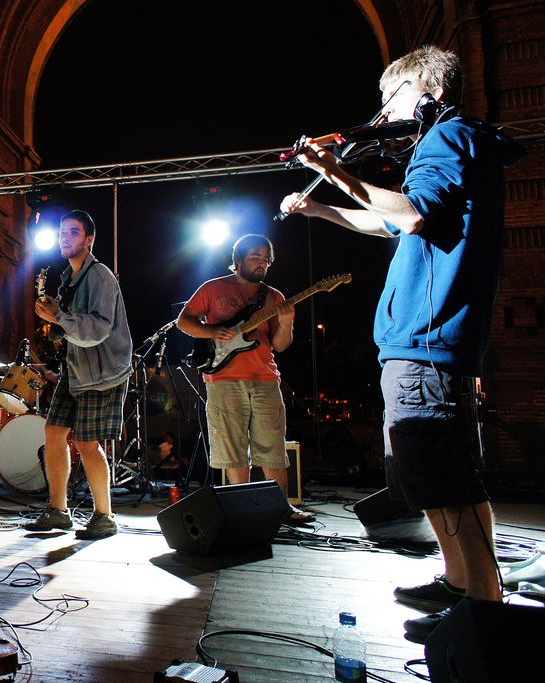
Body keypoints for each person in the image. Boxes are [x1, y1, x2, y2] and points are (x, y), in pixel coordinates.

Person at [278, 45, 523, 643]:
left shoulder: (446, 139)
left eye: (390, 98)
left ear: (423, 89)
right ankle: (461, 581)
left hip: (427, 338)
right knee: (440, 474)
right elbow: (387, 220)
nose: (382, 115)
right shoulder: (460, 144)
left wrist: (336, 170)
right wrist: (321, 209)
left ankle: (481, 610)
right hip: (430, 338)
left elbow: (410, 214)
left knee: (442, 475)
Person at [176, 234, 310, 521]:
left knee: (272, 447)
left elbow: (280, 344)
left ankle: (281, 508)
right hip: (223, 379)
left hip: (265, 377)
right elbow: (184, 321)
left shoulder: (274, 297)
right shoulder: (213, 289)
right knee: (233, 450)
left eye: (266, 260)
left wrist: (286, 322)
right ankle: (243, 509)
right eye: (255, 258)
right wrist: (212, 332)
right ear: (238, 260)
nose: (262, 264)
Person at [26, 210, 133, 540]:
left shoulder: (99, 275)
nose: (64, 237)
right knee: (54, 431)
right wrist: (53, 317)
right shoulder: (69, 279)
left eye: (73, 232)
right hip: (76, 371)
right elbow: (69, 327)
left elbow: (98, 329)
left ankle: (105, 516)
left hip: (103, 374)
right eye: (62, 231)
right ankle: (58, 511)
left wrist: (58, 317)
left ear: (89, 240)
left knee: (87, 442)